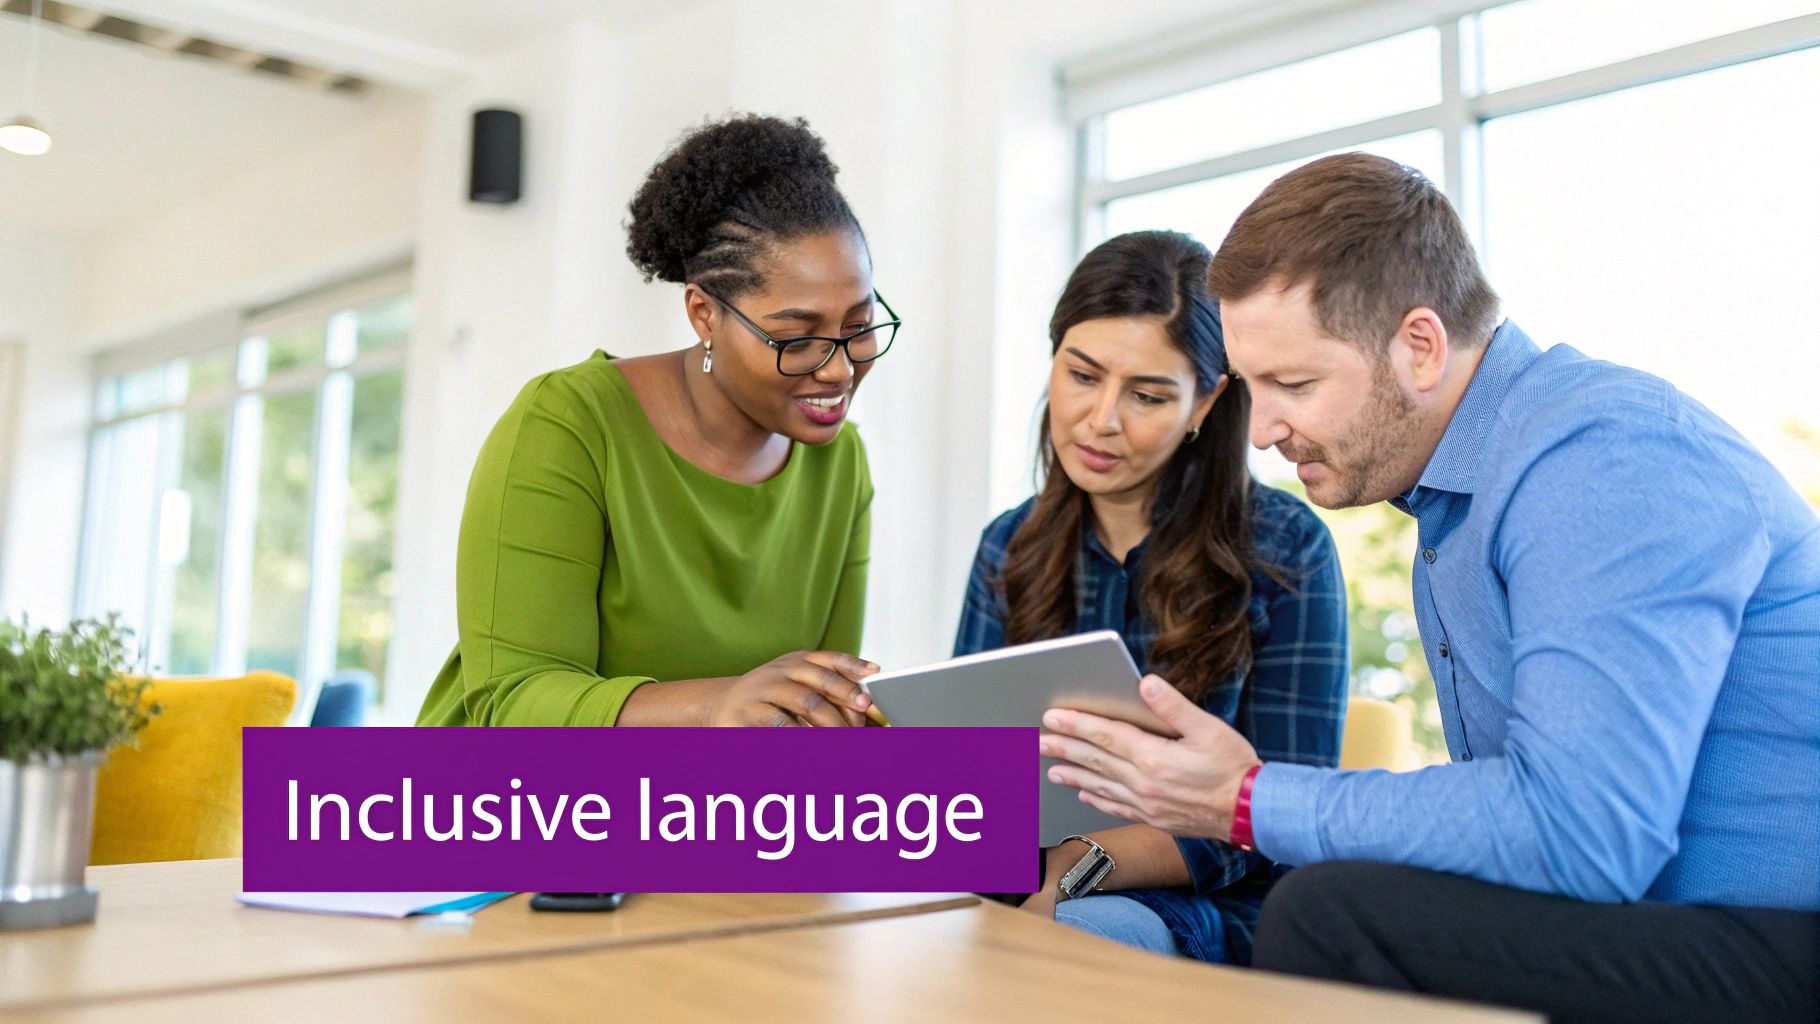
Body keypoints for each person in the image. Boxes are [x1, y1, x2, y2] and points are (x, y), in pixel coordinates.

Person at [1038, 154, 1820, 1023]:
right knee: (1344, 891)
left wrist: (1247, 798)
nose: (1260, 431)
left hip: (1776, 936)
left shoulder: (1604, 456)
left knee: (1329, 916)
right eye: (1252, 388)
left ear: (1419, 346)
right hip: (1659, 923)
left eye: (1294, 384)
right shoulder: (1453, 513)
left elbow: (1586, 832)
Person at [417, 114, 898, 729]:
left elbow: (820, 701)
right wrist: (717, 705)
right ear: (703, 313)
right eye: (796, 338)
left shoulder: (841, 461)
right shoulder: (568, 424)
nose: (838, 370)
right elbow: (510, 704)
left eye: (858, 327)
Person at [954, 230, 1347, 964]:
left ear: (1207, 402)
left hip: (1202, 905)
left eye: (1146, 395)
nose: (1101, 419)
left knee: (1078, 941)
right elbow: (965, 778)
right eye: (1082, 375)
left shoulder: (1287, 551)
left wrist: (1072, 871)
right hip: (1022, 884)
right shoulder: (1009, 546)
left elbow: (1276, 812)